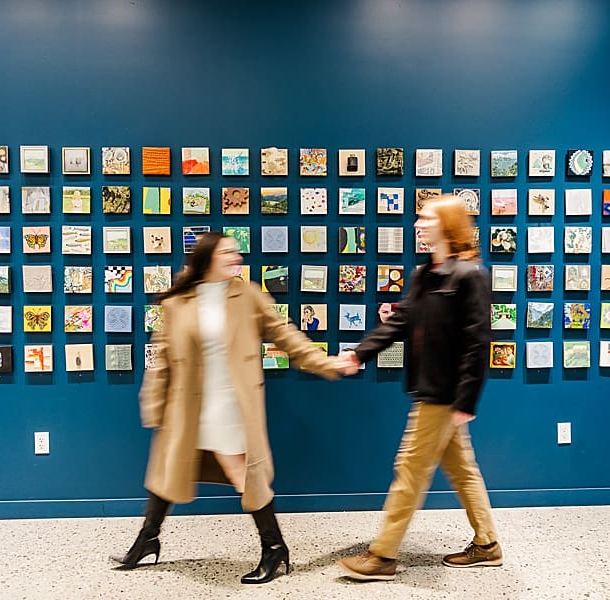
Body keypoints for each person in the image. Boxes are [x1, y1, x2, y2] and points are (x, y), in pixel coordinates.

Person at [111, 232, 342, 584]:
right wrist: (154, 404)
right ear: (207, 260)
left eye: (237, 252)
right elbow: (163, 359)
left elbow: (286, 335)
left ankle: (274, 547)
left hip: (232, 405)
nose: (238, 258)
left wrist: (326, 364)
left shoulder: (247, 294)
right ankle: (148, 540)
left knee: (242, 476)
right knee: (166, 473)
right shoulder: (178, 302)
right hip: (189, 406)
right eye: (228, 253)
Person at [336, 194, 502, 581]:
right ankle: (487, 545)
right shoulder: (425, 274)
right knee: (462, 470)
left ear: (446, 224)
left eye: (426, 218)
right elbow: (401, 321)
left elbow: (478, 341)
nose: (418, 224)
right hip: (429, 387)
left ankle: (383, 556)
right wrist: (360, 354)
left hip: (445, 395)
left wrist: (466, 398)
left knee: (409, 468)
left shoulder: (469, 275)